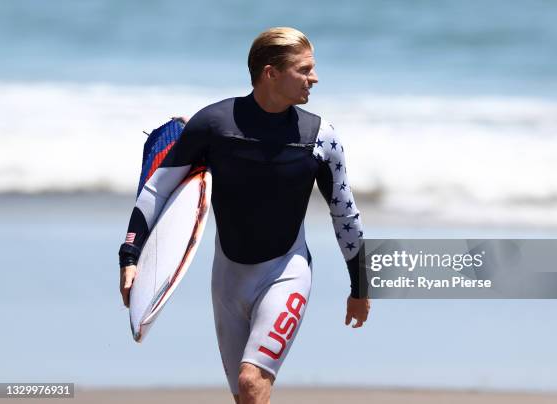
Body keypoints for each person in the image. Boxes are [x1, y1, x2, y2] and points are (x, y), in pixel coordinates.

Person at [118, 27, 370, 404]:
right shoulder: (214, 125)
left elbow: (344, 214)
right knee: (245, 396)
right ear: (271, 73)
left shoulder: (320, 137)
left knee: (252, 382)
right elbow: (158, 188)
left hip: (286, 271)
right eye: (304, 70)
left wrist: (360, 287)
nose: (314, 78)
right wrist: (130, 256)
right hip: (228, 279)